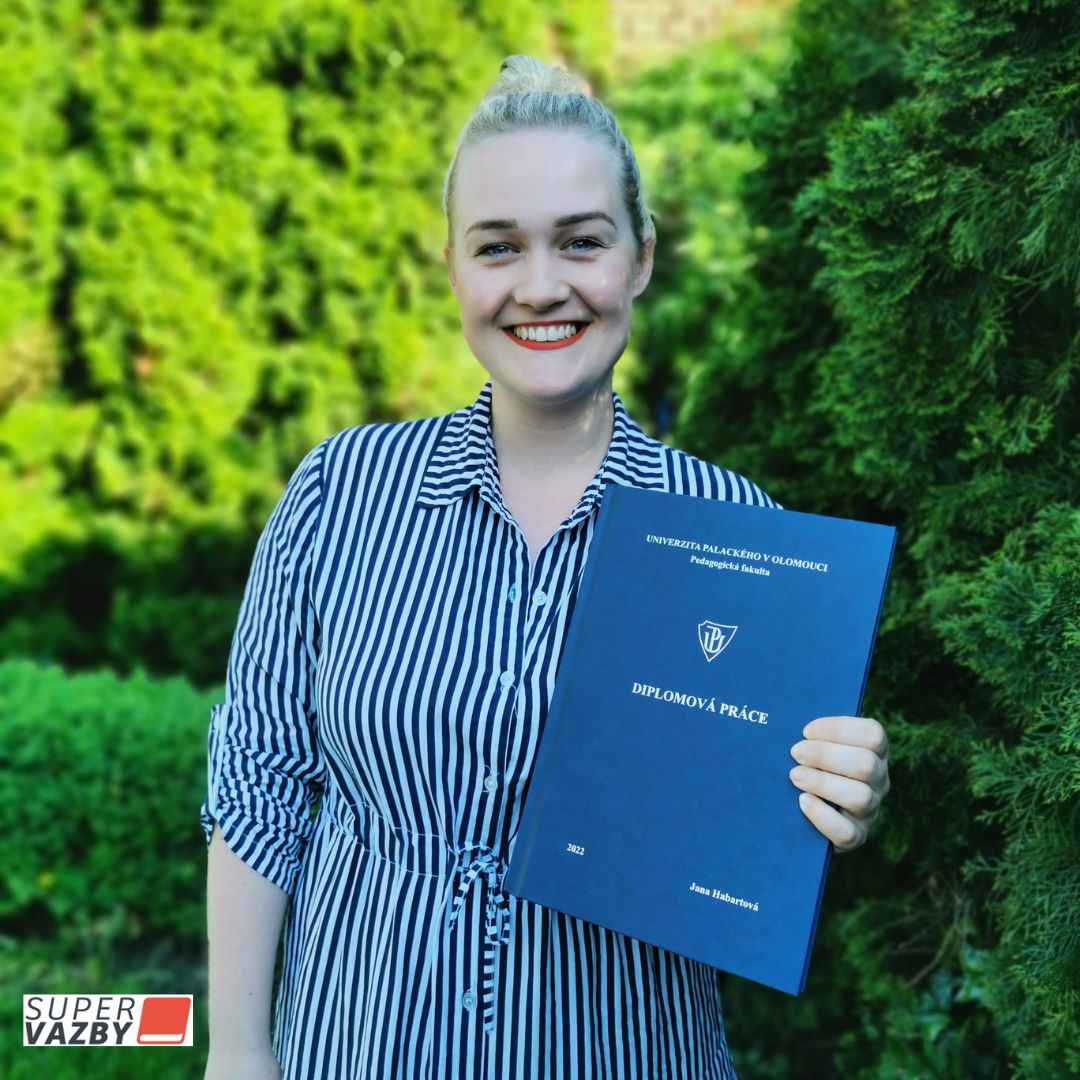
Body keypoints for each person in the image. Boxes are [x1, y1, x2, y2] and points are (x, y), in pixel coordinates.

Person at [202, 54, 891, 1080]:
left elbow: (749, 830)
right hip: (355, 1047)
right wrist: (238, 1050)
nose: (540, 286)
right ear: (453, 268)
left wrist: (835, 791)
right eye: (498, 247)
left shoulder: (738, 532)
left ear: (640, 257)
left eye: (581, 241)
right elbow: (258, 780)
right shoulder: (339, 493)